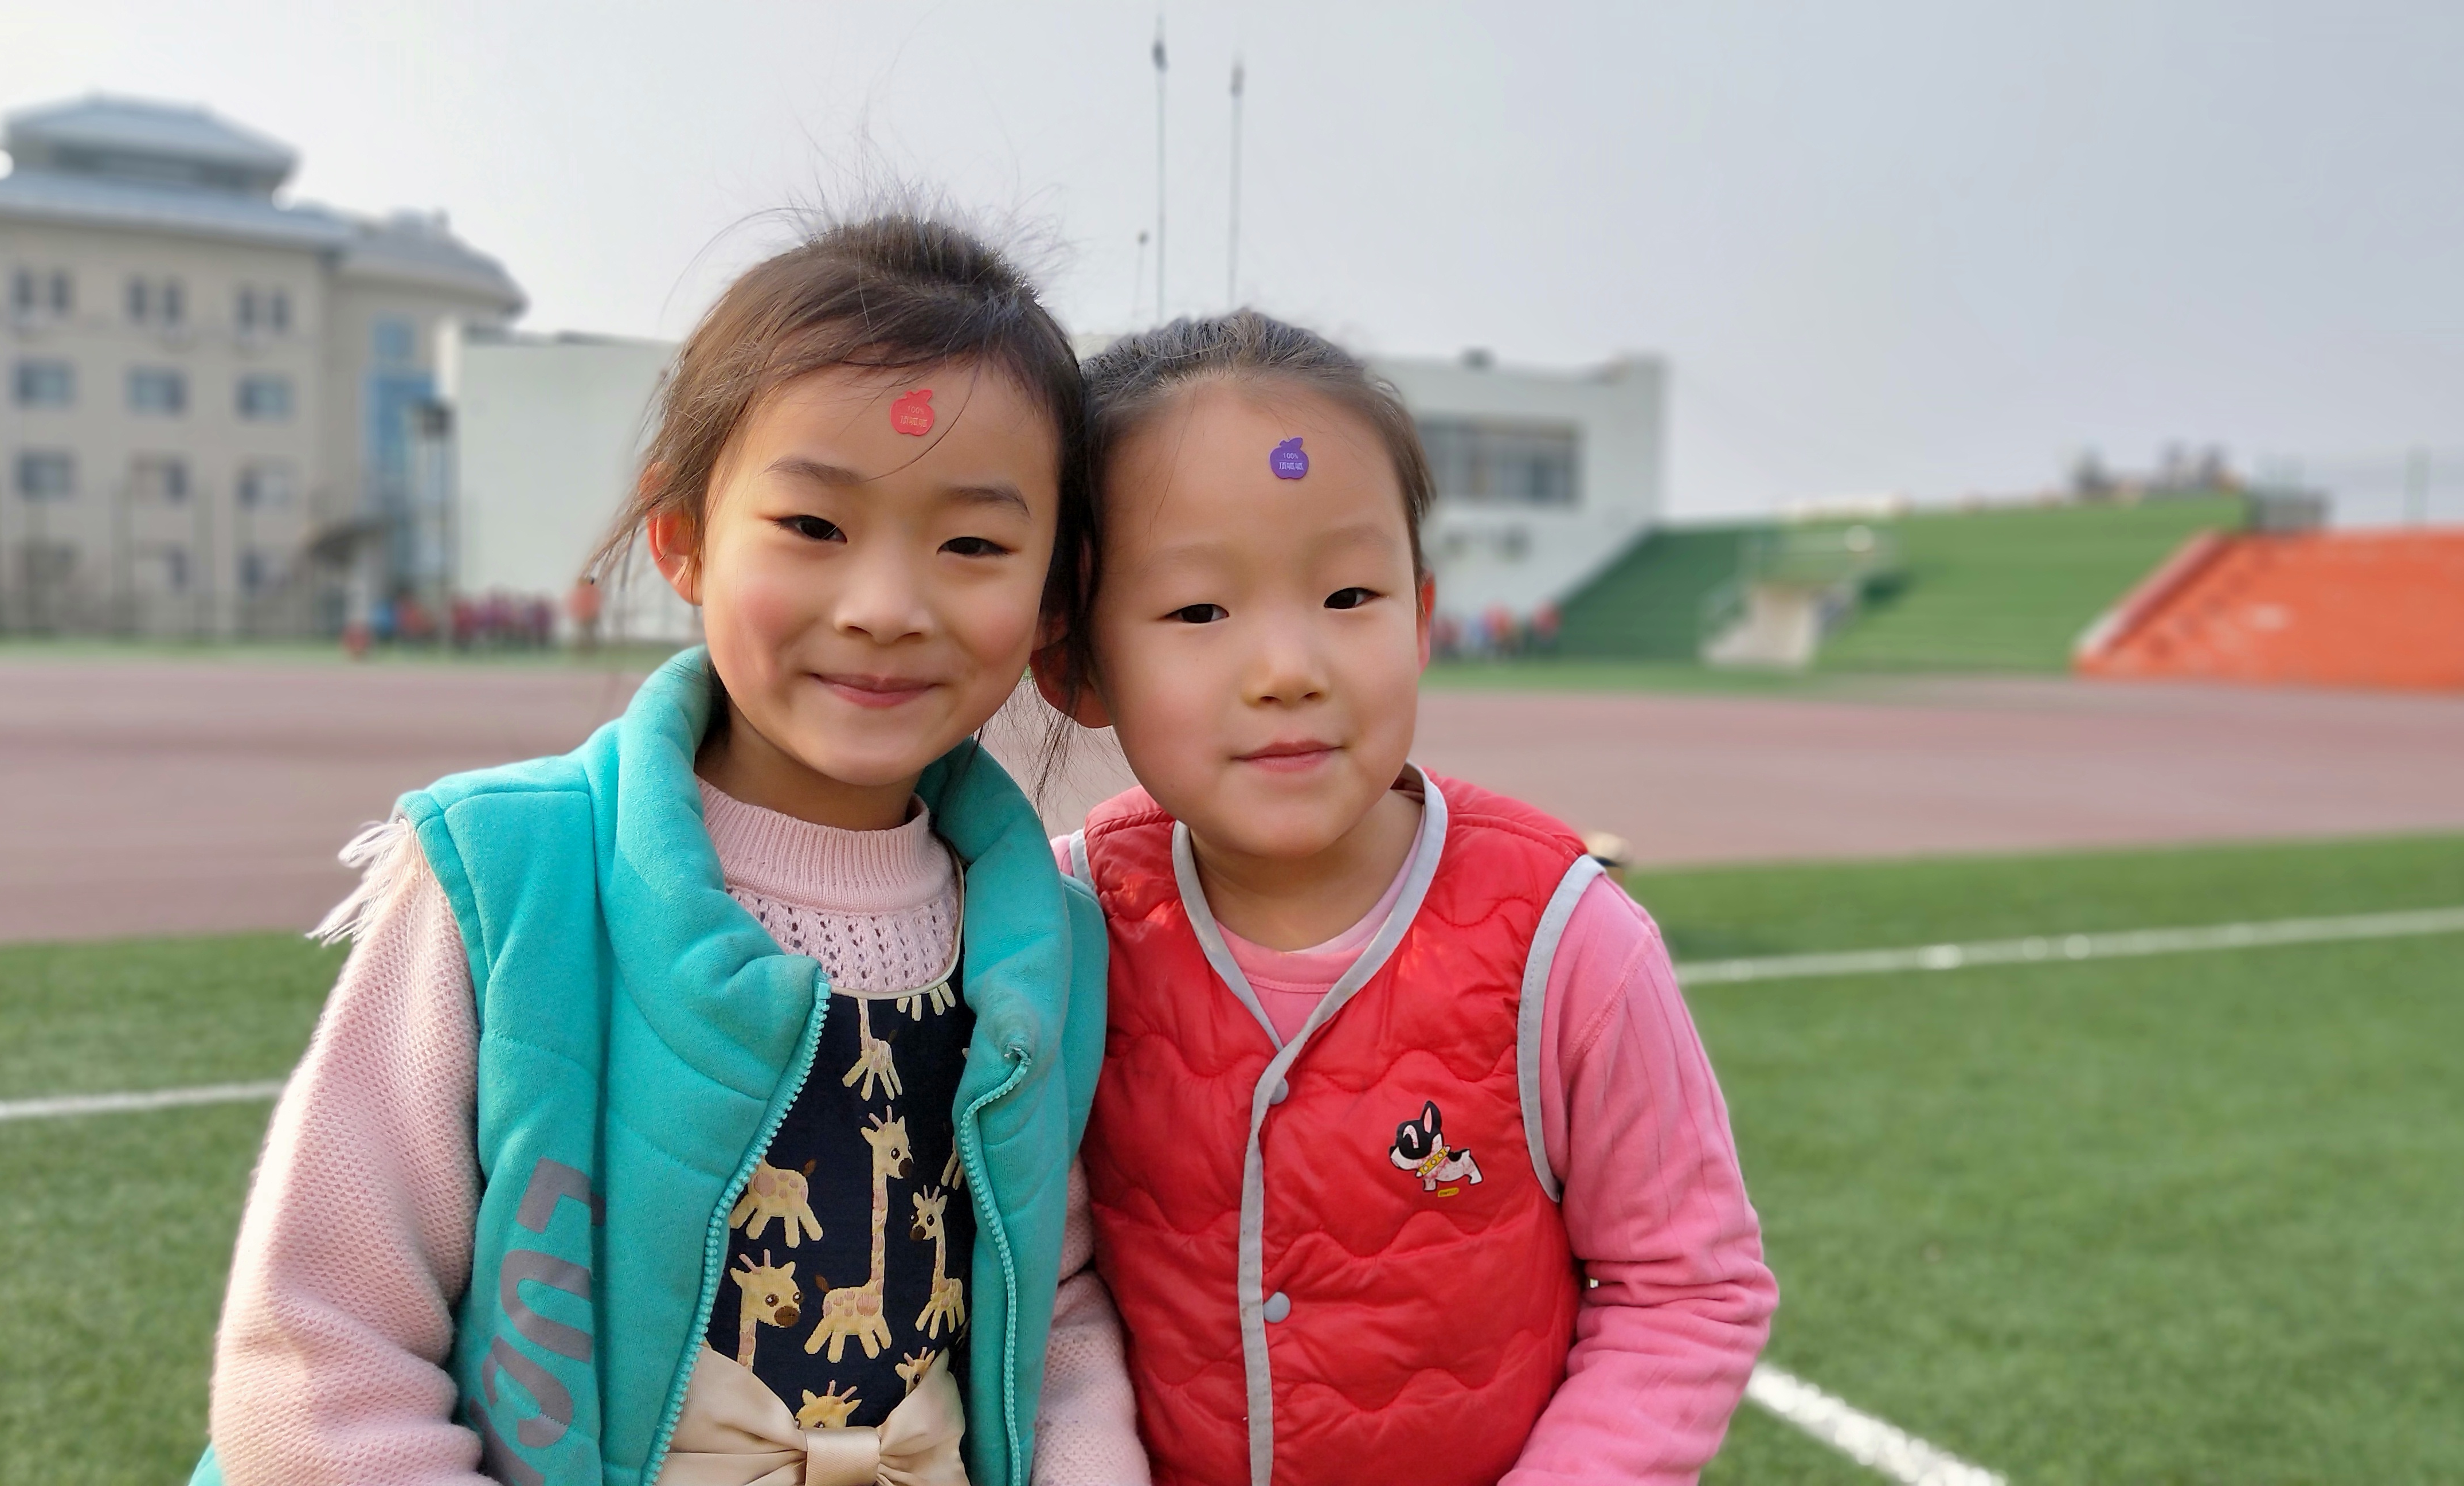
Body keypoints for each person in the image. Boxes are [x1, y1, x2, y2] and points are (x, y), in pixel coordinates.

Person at [195, 215, 1111, 1486]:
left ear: (1053, 595)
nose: (886, 607)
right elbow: (323, 1356)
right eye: (813, 526)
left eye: (972, 546)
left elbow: (1056, 1315)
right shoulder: (513, 878)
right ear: (683, 534)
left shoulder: (1049, 938)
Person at [1032, 311, 1777, 1486]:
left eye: (1349, 595)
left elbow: (1687, 1287)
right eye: (1198, 611)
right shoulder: (1056, 926)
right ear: (1072, 665)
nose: (1290, 670)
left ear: (1422, 619)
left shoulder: (1566, 940)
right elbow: (1035, 1289)